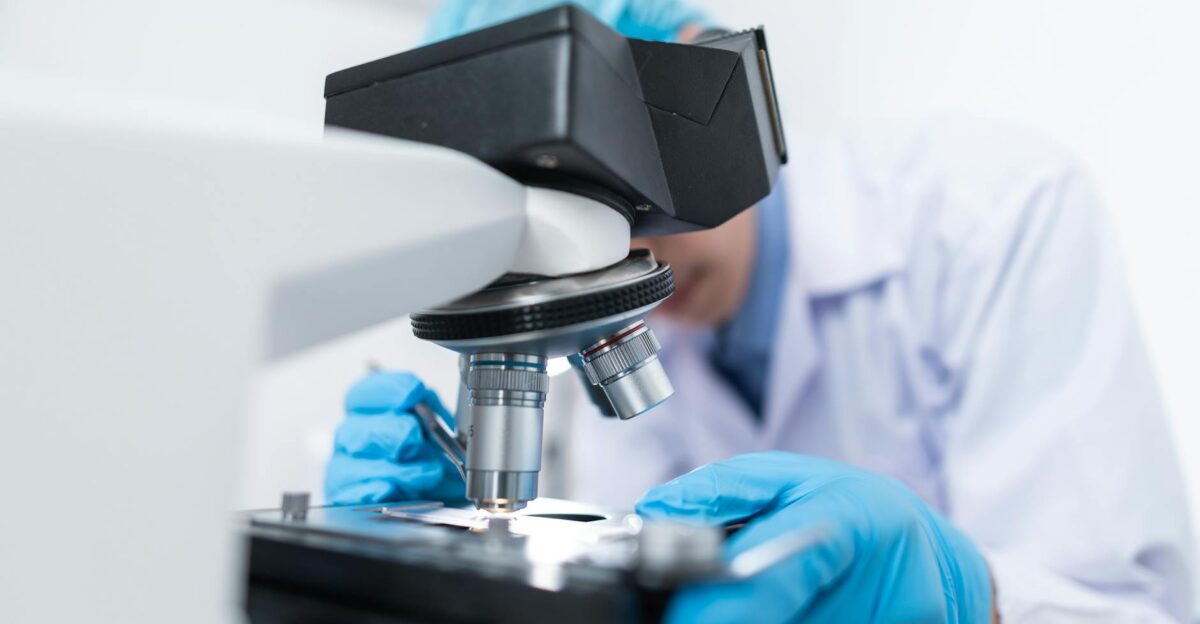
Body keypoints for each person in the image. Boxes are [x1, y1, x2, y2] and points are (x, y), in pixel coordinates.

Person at [324, 1, 1196, 621]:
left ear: (710, 108)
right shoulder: (639, 326)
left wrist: (965, 598)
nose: (641, 271)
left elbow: (1130, 610)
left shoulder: (995, 217)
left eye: (628, 227)